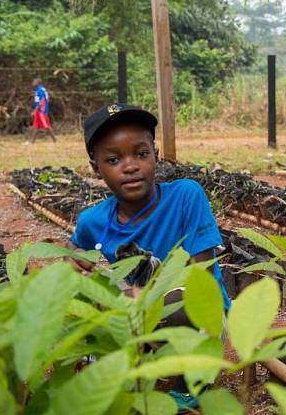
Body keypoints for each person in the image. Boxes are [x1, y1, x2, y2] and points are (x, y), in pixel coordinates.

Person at [67, 103, 230, 409]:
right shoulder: (93, 221)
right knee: (83, 297)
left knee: (180, 302)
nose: (130, 166)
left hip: (198, 315)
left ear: (155, 154)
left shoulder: (186, 196)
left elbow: (202, 275)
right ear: (95, 166)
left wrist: (138, 296)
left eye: (140, 154)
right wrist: (74, 262)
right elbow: (76, 250)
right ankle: (110, 371)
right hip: (137, 315)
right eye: (114, 159)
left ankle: (190, 384)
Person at [29, 77, 56, 143]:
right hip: (39, 111)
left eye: (34, 82)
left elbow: (42, 101)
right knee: (35, 126)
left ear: (38, 83)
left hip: (41, 111)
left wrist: (36, 110)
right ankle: (32, 142)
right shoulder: (42, 89)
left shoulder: (40, 90)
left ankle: (55, 140)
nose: (32, 83)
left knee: (47, 126)